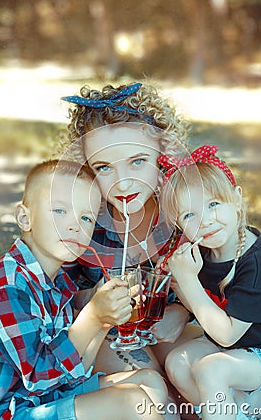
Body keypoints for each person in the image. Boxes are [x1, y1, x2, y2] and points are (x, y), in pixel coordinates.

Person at [0, 159, 172, 420]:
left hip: (41, 397)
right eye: (59, 211)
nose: (75, 225)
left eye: (86, 217)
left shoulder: (58, 283)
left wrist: (103, 323)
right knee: (131, 401)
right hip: (4, 412)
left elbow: (72, 372)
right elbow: (40, 375)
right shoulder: (5, 284)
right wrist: (91, 316)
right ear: (25, 218)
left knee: (150, 382)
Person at [60, 81, 202, 379]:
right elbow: (70, 304)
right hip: (105, 334)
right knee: (155, 389)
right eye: (103, 167)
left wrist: (183, 312)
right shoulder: (86, 224)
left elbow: (219, 284)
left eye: (137, 161)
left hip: (164, 329)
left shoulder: (182, 214)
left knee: (189, 373)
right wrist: (94, 304)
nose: (122, 183)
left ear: (162, 155)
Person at [158, 145, 261, 419]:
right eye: (190, 215)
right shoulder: (201, 254)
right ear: (179, 225)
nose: (206, 221)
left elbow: (226, 334)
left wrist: (188, 281)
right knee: (178, 362)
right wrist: (179, 281)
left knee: (212, 369)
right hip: (237, 350)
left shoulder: (259, 261)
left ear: (236, 200)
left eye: (214, 205)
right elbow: (202, 307)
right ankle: (241, 414)